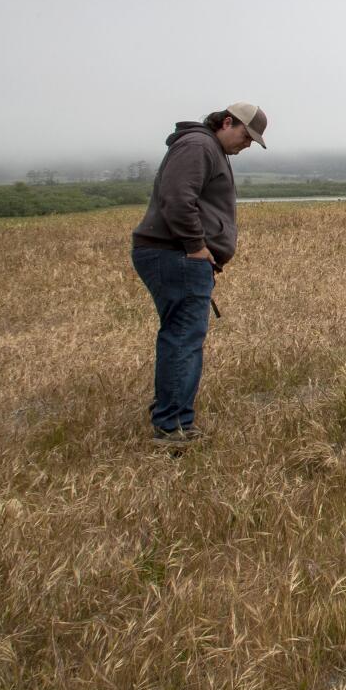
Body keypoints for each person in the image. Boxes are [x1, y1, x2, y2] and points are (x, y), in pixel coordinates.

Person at [130, 103, 268, 445]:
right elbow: (177, 199)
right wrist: (195, 246)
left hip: (176, 256)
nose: (246, 145)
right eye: (246, 135)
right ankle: (173, 426)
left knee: (179, 334)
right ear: (226, 122)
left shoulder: (206, 146)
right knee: (183, 337)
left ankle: (171, 409)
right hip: (176, 255)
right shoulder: (199, 146)